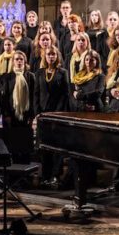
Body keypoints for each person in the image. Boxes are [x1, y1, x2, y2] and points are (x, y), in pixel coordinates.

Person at [34, 46, 70, 186]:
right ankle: (45, 176)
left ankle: (55, 175)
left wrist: (58, 113)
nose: (51, 57)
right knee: (43, 148)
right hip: (43, 115)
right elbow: (36, 94)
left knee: (56, 148)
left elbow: (65, 95)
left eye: (53, 54)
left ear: (57, 56)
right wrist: (37, 113)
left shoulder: (63, 72)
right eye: (49, 54)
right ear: (45, 56)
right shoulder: (39, 72)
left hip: (57, 115)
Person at [0, 49, 35, 162]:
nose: (19, 61)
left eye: (21, 59)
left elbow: (33, 96)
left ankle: (25, 167)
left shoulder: (30, 76)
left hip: (26, 113)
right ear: (13, 61)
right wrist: (6, 115)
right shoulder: (7, 77)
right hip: (12, 114)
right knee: (13, 142)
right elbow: (4, 98)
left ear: (25, 61)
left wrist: (32, 115)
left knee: (24, 141)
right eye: (17, 59)